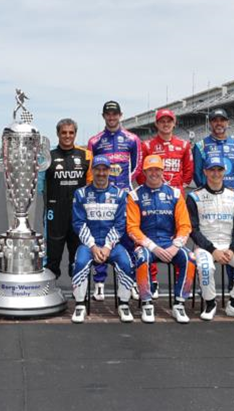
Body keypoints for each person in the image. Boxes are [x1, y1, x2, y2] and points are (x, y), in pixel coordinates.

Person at [126, 155, 195, 324]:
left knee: (190, 258)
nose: (154, 173)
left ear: (163, 171)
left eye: (157, 169)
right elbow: (132, 228)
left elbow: (185, 225)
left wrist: (175, 246)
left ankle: (179, 303)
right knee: (142, 259)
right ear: (144, 172)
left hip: (169, 242)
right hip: (146, 243)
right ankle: (146, 303)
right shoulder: (134, 195)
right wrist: (153, 247)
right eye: (150, 170)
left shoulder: (175, 194)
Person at [187, 155, 234, 321]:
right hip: (204, 246)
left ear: (225, 172)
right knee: (206, 268)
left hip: (229, 245)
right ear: (205, 171)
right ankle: (210, 303)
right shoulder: (194, 196)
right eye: (212, 169)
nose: (216, 173)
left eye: (219, 170)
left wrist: (233, 249)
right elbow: (193, 229)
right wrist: (212, 250)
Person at [69, 156, 136, 323]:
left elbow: (120, 225)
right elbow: (78, 223)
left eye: (104, 169)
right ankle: (80, 304)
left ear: (109, 171)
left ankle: (123, 303)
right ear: (92, 171)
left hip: (111, 245)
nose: (100, 173)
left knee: (126, 262)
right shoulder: (81, 193)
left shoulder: (120, 195)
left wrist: (107, 247)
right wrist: (92, 246)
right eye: (97, 169)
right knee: (79, 262)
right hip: (89, 244)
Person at [87, 100, 143, 299]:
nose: (112, 117)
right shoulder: (94, 141)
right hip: (102, 195)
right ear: (103, 116)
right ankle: (100, 282)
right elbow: (91, 168)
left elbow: (138, 166)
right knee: (100, 235)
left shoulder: (132, 139)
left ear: (120, 115)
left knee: (128, 238)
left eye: (115, 114)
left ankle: (130, 280)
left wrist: (125, 184)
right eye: (108, 114)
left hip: (125, 195)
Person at [39, 118, 92, 284]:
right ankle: (49, 290)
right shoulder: (47, 157)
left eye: (71, 132)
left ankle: (79, 292)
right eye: (64, 133)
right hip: (54, 213)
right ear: (58, 134)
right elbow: (40, 185)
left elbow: (90, 186)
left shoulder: (86, 155)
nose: (67, 136)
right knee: (52, 256)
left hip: (78, 213)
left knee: (78, 255)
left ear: (75, 134)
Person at [192, 108, 234, 190]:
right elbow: (197, 173)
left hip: (232, 194)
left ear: (227, 123)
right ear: (210, 124)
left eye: (222, 120)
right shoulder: (200, 146)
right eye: (215, 121)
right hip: (209, 195)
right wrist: (205, 190)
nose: (219, 123)